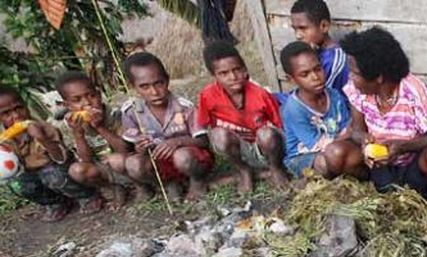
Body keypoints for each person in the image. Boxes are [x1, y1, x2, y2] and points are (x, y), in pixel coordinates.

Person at [323, 26, 427, 197]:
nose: (351, 78)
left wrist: (401, 147)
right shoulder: (357, 91)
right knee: (335, 154)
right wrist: (364, 141)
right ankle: (376, 187)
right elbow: (357, 130)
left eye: (355, 73)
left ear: (378, 77)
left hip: (414, 165)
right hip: (378, 166)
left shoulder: (415, 92)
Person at [120, 52, 214, 201]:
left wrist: (177, 142)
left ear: (167, 80)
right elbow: (129, 149)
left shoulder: (184, 107)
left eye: (159, 83)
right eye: (145, 87)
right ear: (133, 87)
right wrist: (140, 148)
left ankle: (197, 182)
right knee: (133, 164)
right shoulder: (131, 111)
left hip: (190, 159)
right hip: (161, 164)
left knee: (182, 156)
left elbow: (204, 141)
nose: (154, 92)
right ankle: (170, 184)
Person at [197, 41, 288, 192]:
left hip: (265, 149)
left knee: (266, 133)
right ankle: (243, 171)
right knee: (218, 134)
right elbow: (204, 126)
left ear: (245, 69)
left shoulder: (260, 94)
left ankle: (275, 169)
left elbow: (280, 126)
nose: (233, 77)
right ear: (215, 76)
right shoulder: (208, 96)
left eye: (237, 69)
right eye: (223, 73)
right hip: (241, 150)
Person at [0, 84, 99, 220]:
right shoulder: (5, 141)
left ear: (25, 106)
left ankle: (86, 195)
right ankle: (57, 203)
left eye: (19, 108)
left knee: (51, 175)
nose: (16, 116)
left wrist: (42, 138)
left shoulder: (45, 128)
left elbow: (60, 158)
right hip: (34, 173)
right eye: (6, 113)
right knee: (17, 185)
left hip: (59, 168)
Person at [55, 71, 131, 207]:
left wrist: (100, 127)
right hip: (101, 169)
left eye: (91, 95)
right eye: (77, 100)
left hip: (124, 162)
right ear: (67, 106)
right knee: (76, 170)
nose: (87, 103)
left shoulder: (114, 113)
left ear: (99, 95)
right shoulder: (70, 125)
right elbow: (86, 160)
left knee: (116, 159)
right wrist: (78, 134)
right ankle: (114, 187)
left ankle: (139, 185)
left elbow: (124, 148)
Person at [280, 41, 351, 177]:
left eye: (318, 69)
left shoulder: (334, 95)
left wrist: (349, 135)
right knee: (325, 163)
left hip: (335, 146)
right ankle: (307, 179)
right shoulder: (294, 109)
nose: (315, 77)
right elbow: (316, 145)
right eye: (305, 74)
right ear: (291, 79)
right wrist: (349, 134)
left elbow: (346, 126)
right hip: (304, 156)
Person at [288, 0, 348, 95]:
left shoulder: (334, 60)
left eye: (303, 28)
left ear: (324, 26)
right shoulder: (315, 52)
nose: (298, 35)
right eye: (295, 29)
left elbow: (318, 96)